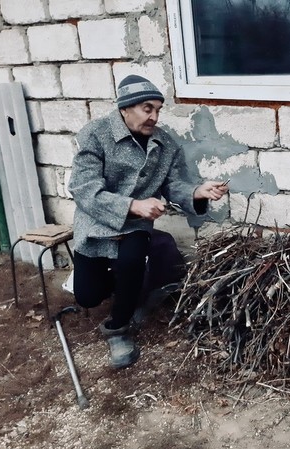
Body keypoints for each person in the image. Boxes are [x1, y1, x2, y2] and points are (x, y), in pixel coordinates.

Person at [68, 75, 229, 369]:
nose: (154, 116)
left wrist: (197, 191)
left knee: (131, 260)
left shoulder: (164, 144)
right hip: (96, 223)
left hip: (136, 226)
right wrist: (132, 204)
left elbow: (173, 185)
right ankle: (129, 285)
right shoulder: (95, 134)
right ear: (125, 108)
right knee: (88, 296)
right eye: (147, 108)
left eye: (157, 109)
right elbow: (83, 189)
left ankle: (119, 327)